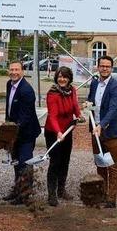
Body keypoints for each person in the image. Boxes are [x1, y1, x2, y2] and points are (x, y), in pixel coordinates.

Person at [87, 55, 117, 208]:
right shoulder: (94, 83)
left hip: (111, 132)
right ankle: (102, 194)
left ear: (111, 68)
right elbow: (92, 101)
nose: (104, 69)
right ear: (98, 67)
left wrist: (102, 124)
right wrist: (87, 103)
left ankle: (111, 199)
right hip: (96, 131)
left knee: (112, 166)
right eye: (102, 66)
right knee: (100, 164)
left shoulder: (115, 87)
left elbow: (114, 109)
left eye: (107, 66)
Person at [3, 60, 41, 205]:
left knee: (25, 163)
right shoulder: (9, 84)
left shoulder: (27, 90)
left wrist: (12, 132)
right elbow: (10, 108)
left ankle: (25, 194)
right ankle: (17, 189)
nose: (13, 72)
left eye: (16, 70)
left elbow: (25, 117)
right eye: (11, 69)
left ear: (22, 71)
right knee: (16, 162)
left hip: (26, 132)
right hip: (14, 130)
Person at [44, 66, 81, 206]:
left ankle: (61, 189)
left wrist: (79, 115)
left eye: (65, 76)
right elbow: (52, 116)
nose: (62, 79)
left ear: (69, 78)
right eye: (59, 76)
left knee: (65, 161)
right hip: (54, 132)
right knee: (55, 162)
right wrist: (58, 132)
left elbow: (75, 106)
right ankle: (51, 194)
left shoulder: (72, 91)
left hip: (67, 129)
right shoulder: (52, 93)